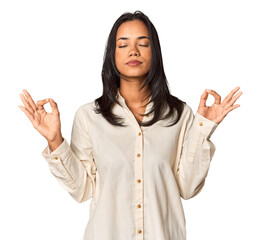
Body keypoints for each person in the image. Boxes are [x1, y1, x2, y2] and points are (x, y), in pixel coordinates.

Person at [18, 10, 242, 240]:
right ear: (112, 55)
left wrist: (204, 128)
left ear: (154, 52)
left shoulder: (180, 114)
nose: (133, 51)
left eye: (143, 44)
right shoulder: (89, 116)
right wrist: (55, 140)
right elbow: (81, 189)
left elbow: (188, 187)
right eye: (123, 44)